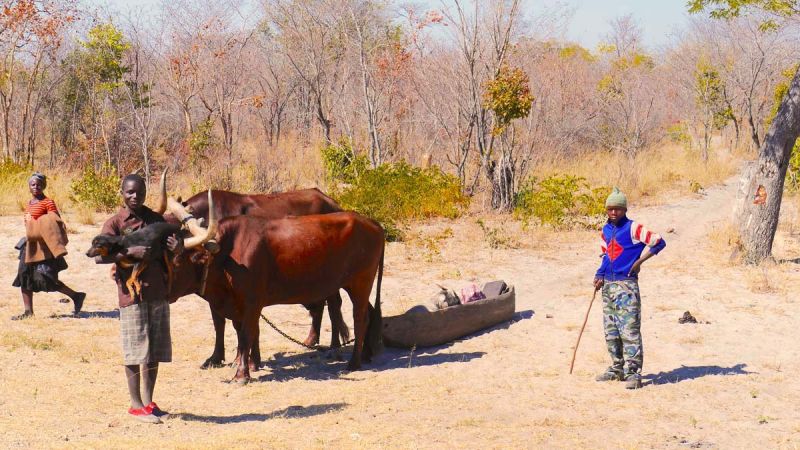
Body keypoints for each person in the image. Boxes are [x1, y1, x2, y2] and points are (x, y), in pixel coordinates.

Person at [94, 174, 183, 424]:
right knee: (134, 351)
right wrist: (128, 251)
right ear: (122, 192)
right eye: (130, 192)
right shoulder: (114, 223)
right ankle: (135, 406)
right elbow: (99, 256)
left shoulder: (156, 220)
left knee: (154, 350)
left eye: (140, 192)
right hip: (131, 295)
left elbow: (174, 250)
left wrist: (177, 248)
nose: (135, 197)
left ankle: (148, 401)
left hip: (157, 291)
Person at [593, 188, 666, 390]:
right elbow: (606, 256)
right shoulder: (605, 230)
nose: (614, 213)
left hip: (626, 286)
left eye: (618, 209)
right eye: (610, 209)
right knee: (611, 330)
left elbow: (659, 242)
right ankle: (616, 368)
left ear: (624, 209)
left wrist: (639, 262)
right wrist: (599, 275)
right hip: (608, 285)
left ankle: (634, 373)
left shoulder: (634, 228)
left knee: (629, 330)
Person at [11, 172, 85, 320]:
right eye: (33, 184)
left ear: (43, 186)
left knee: (46, 279)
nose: (36, 186)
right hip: (29, 245)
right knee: (24, 275)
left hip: (43, 247)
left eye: (39, 184)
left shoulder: (48, 202)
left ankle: (76, 296)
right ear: (29, 187)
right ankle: (28, 312)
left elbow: (55, 221)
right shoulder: (29, 203)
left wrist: (34, 222)